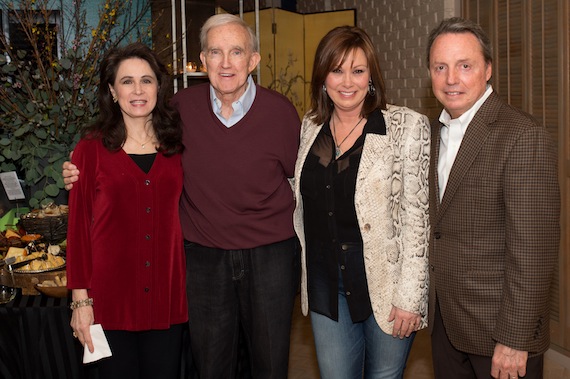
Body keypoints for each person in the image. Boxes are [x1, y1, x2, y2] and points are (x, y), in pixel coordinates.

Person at [64, 14, 301, 379]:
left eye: (236, 52)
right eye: (215, 52)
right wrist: (76, 176)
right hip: (200, 262)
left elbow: (300, 180)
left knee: (270, 364)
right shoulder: (181, 112)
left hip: (266, 257)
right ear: (202, 60)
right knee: (210, 365)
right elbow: (85, 217)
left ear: (253, 60)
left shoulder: (279, 113)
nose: (225, 63)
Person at [292, 25, 430, 378]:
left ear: (371, 76)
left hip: (385, 285)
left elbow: (417, 218)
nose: (347, 82)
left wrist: (410, 298)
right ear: (323, 77)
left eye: (358, 70)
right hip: (326, 284)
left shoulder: (404, 127)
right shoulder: (311, 127)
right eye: (337, 70)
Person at [426, 17, 560, 379]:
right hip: (447, 325)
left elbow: (533, 251)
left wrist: (516, 339)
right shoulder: (434, 132)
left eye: (464, 66)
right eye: (441, 67)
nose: (451, 78)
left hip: (500, 335)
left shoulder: (522, 136)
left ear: (487, 70)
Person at [66, 43, 187, 379]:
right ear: (111, 90)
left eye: (146, 80)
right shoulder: (90, 149)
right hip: (108, 302)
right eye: (127, 81)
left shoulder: (177, 147)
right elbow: (77, 229)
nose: (137, 90)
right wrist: (80, 301)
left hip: (166, 300)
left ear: (159, 88)